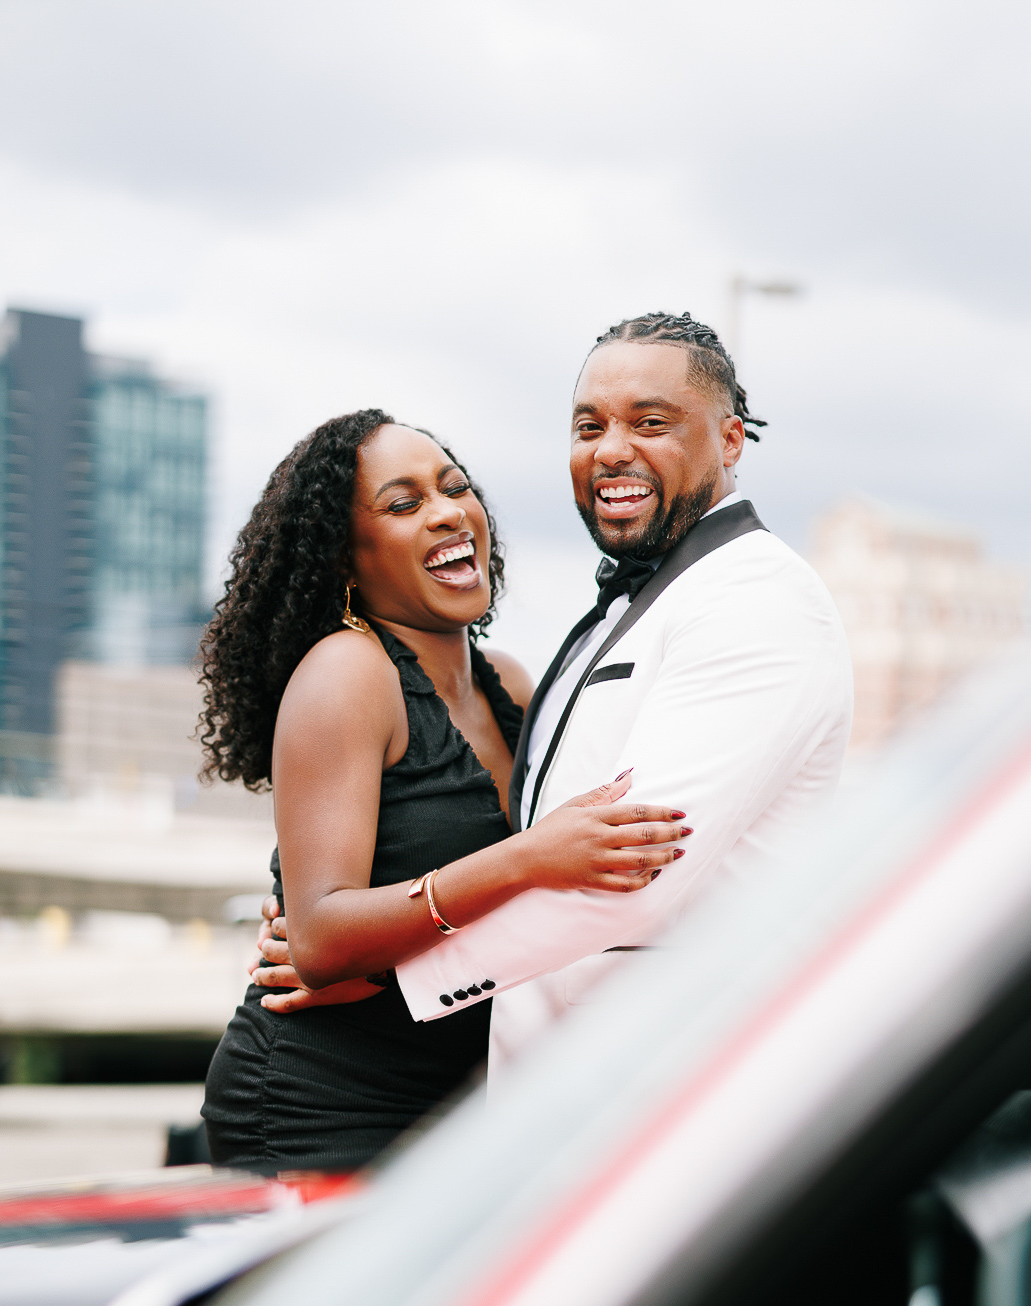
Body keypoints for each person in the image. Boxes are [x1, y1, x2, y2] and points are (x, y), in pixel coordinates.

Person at [255, 313, 853, 1078]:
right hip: (542, 1090)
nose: (610, 450)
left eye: (651, 422)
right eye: (588, 426)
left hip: (663, 1077)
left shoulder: (755, 599)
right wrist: (338, 928)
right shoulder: (634, 607)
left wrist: (382, 973)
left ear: (730, 440)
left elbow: (640, 872)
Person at [197, 408, 688, 1173]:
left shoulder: (511, 687)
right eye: (403, 504)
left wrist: (393, 961)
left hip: (466, 1104)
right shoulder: (348, 674)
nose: (447, 513)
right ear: (345, 560)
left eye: (454, 488)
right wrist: (527, 859)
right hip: (321, 1105)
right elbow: (322, 936)